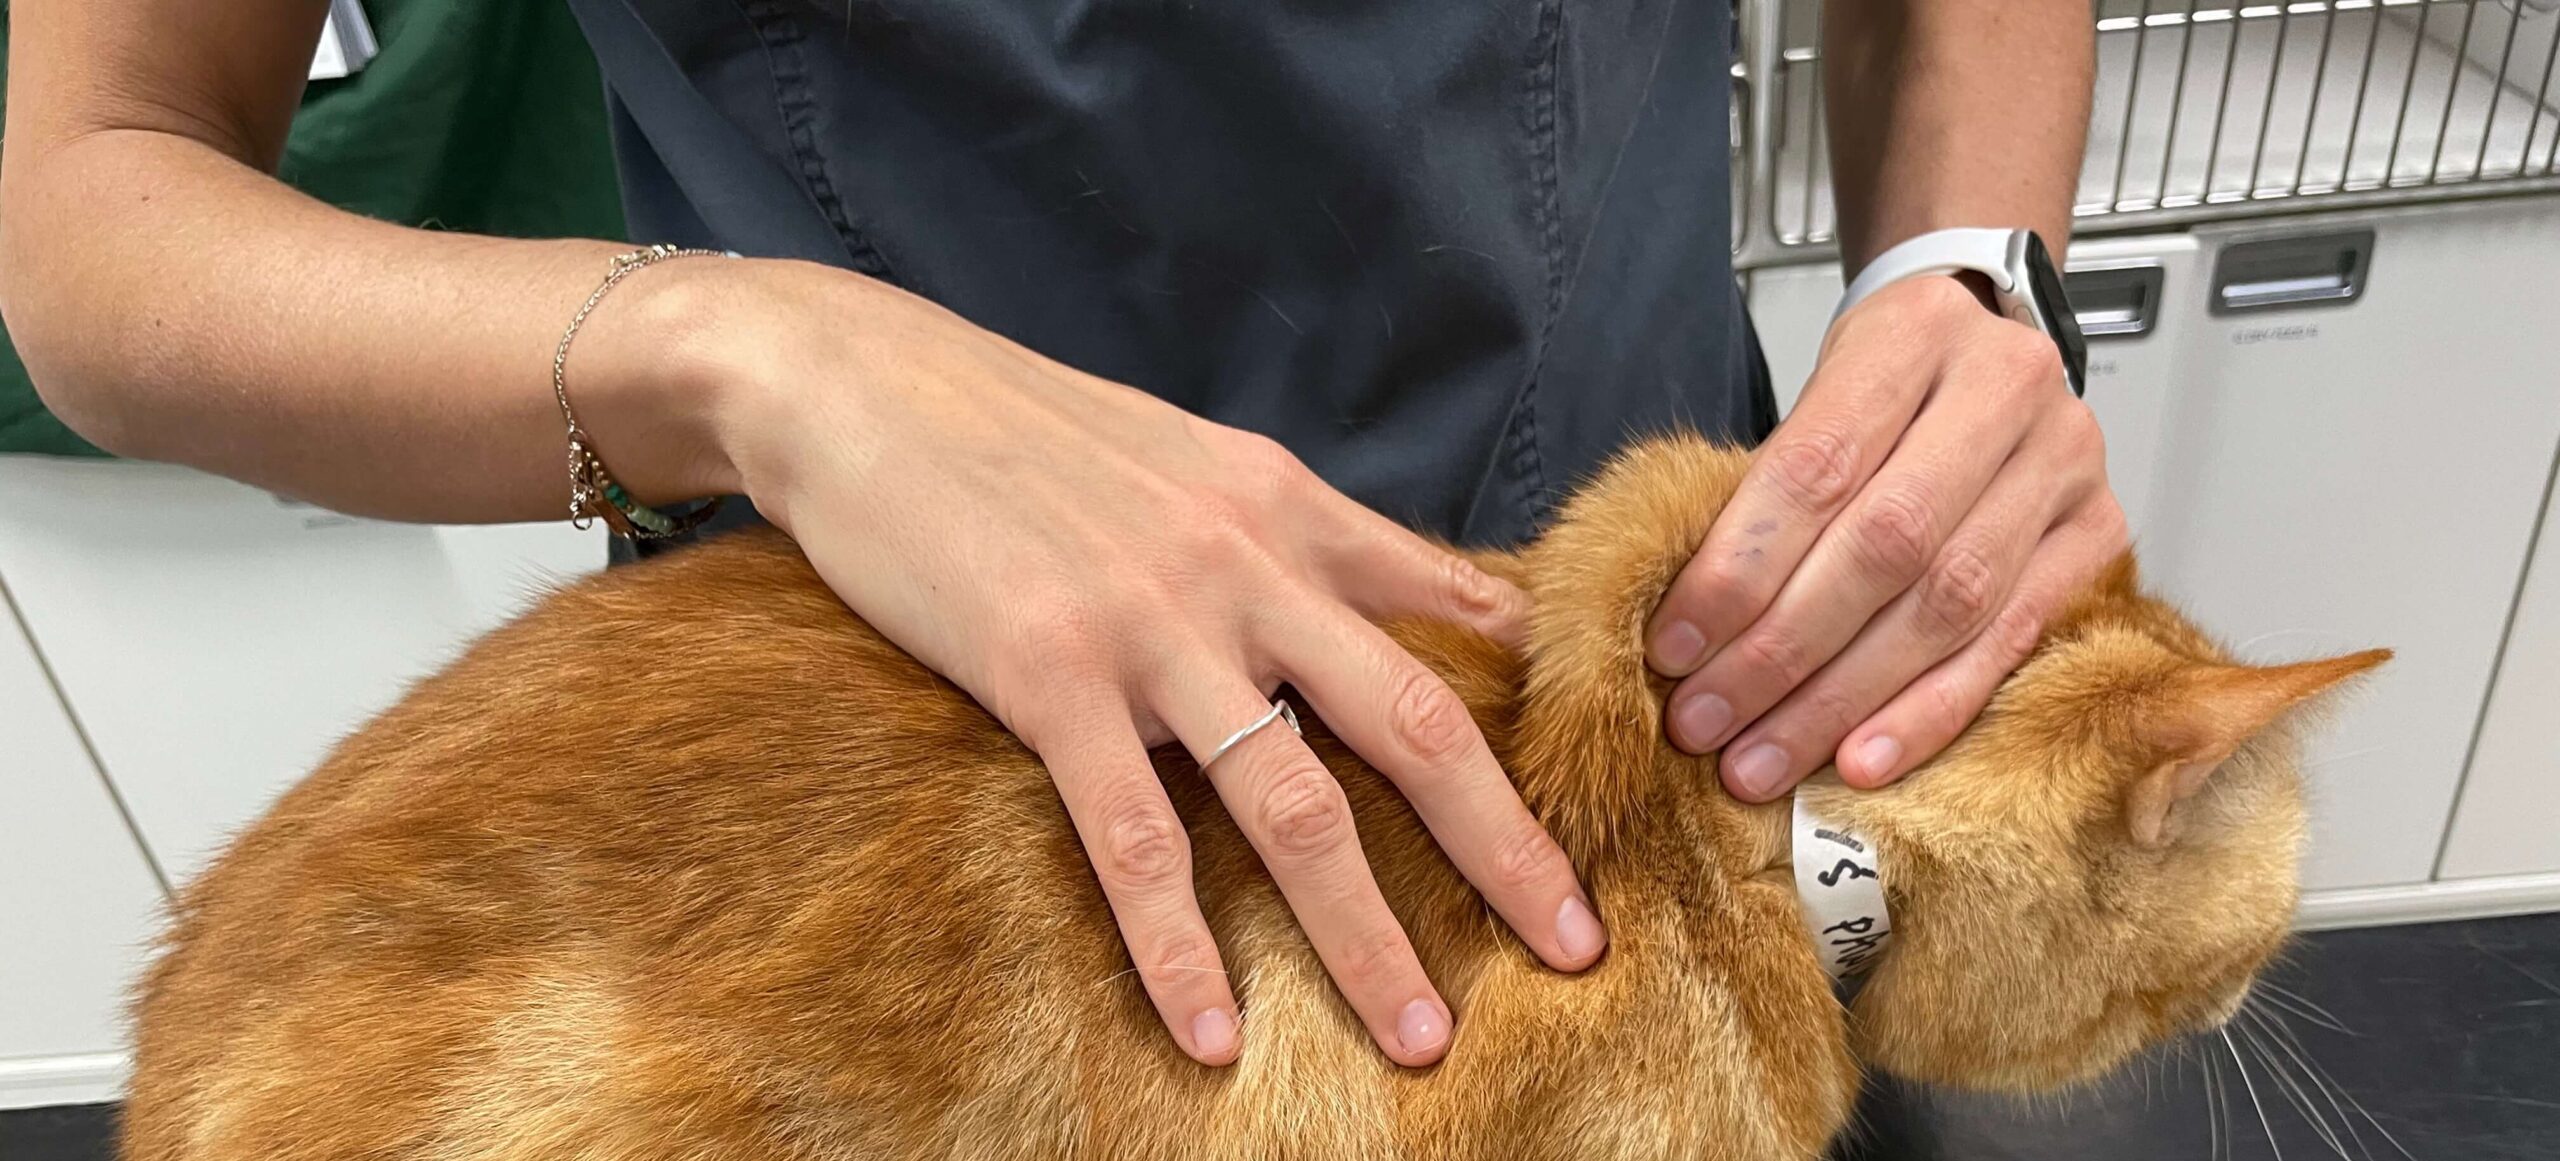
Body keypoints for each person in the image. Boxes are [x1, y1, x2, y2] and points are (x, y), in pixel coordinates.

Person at [0, 0, 2124, 1074]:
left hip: (1670, 690)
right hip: (925, 810)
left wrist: (1961, 262)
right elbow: (91, 213)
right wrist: (747, 358)